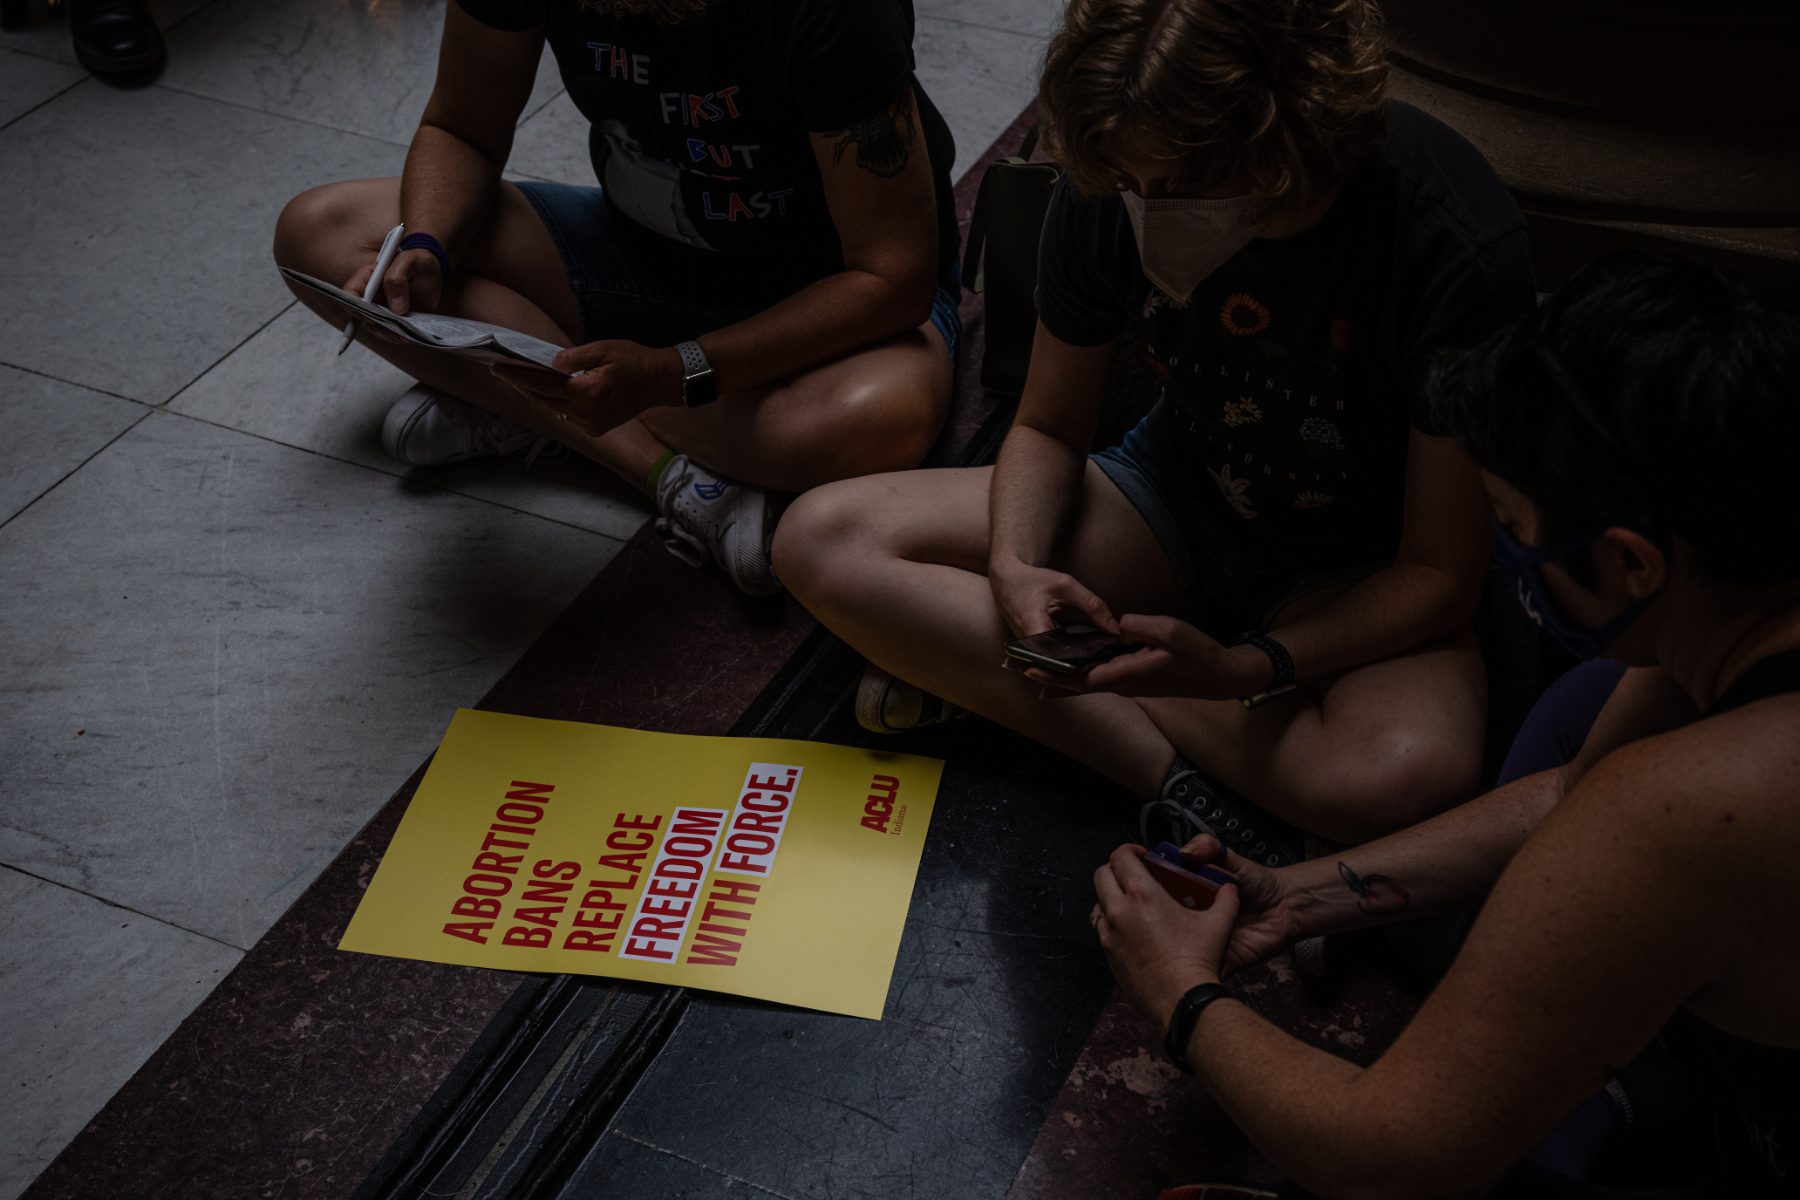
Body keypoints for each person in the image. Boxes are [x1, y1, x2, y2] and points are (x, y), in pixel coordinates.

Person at [1092, 253, 1800, 1196]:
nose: (1508, 557)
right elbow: (1572, 791)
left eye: (1511, 523)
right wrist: (1297, 895)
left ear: (1631, 562)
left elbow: (1390, 1152)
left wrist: (1179, 994)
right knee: (1584, 707)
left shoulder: (1682, 809)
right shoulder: (1738, 584)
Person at [774, 0, 1534, 856]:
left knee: (1404, 776)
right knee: (822, 538)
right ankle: (1182, 787)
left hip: (1357, 566)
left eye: (1173, 189)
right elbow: (1052, 427)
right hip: (1172, 498)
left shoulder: (1445, 240)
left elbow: (1437, 572)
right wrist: (1015, 564)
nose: (1142, 209)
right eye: (1128, 184)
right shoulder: (1111, 186)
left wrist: (1248, 666)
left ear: (1279, 141)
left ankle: (1010, 686)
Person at [273, 0, 961, 595]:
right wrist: (428, 242)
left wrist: (671, 371)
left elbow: (891, 278)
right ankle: (671, 477)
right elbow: (460, 128)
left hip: (826, 304)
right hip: (640, 261)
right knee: (322, 234)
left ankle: (533, 402)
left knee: (881, 419)